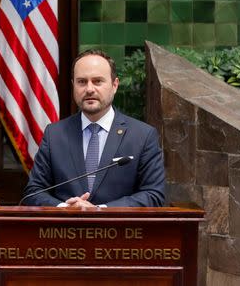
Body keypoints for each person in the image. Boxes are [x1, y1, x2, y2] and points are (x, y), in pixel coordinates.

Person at [22, 49, 165, 208]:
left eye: (97, 81)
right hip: (64, 230)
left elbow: (153, 194)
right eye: (82, 82)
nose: (89, 89)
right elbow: (33, 191)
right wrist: (64, 208)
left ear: (114, 85)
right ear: (73, 85)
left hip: (121, 231)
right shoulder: (54, 134)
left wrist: (101, 210)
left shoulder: (142, 136)